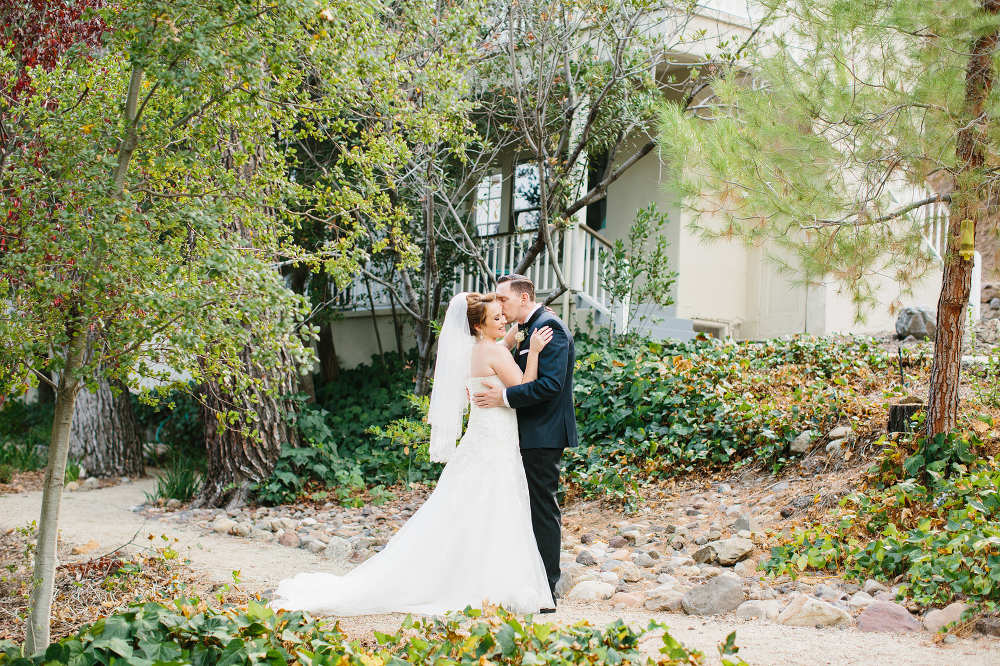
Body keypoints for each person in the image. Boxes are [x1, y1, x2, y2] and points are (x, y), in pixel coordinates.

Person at [270, 292, 555, 616]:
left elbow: (497, 352)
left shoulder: (473, 351)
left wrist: (509, 336)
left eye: (503, 316)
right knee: (496, 508)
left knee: (469, 508)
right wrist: (533, 353)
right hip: (496, 441)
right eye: (496, 318)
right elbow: (524, 388)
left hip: (480, 440)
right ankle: (490, 585)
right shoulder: (495, 353)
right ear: (478, 324)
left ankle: (470, 579)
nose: (503, 319)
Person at [472, 274, 577, 609]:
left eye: (503, 299)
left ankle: (547, 588)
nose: (499, 304)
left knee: (543, 510)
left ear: (524, 298)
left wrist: (503, 397)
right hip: (525, 432)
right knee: (527, 508)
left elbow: (550, 387)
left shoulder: (550, 327)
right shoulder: (525, 330)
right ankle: (527, 581)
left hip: (543, 432)